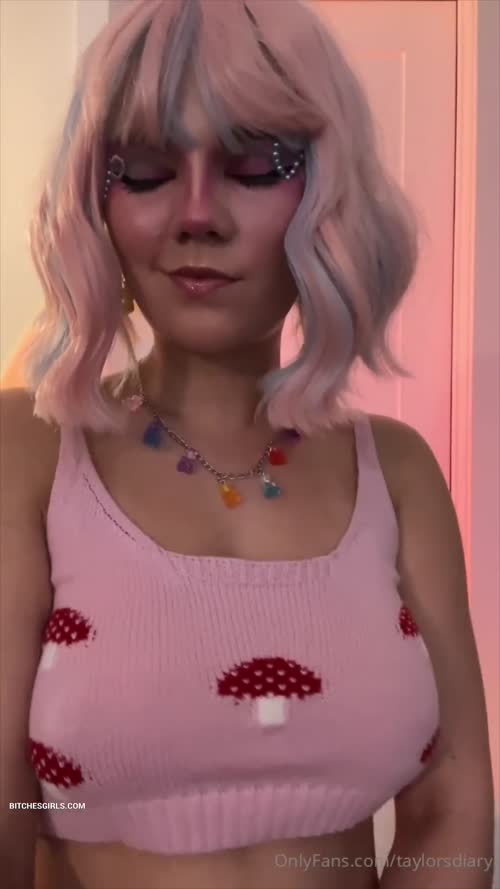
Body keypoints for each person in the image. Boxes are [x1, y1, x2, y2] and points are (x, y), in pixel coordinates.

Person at [0, 1, 494, 888]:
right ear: (96, 202)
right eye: (146, 171)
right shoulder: (28, 450)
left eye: (256, 166)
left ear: (329, 197)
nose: (197, 215)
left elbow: (453, 802)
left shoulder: (399, 470)